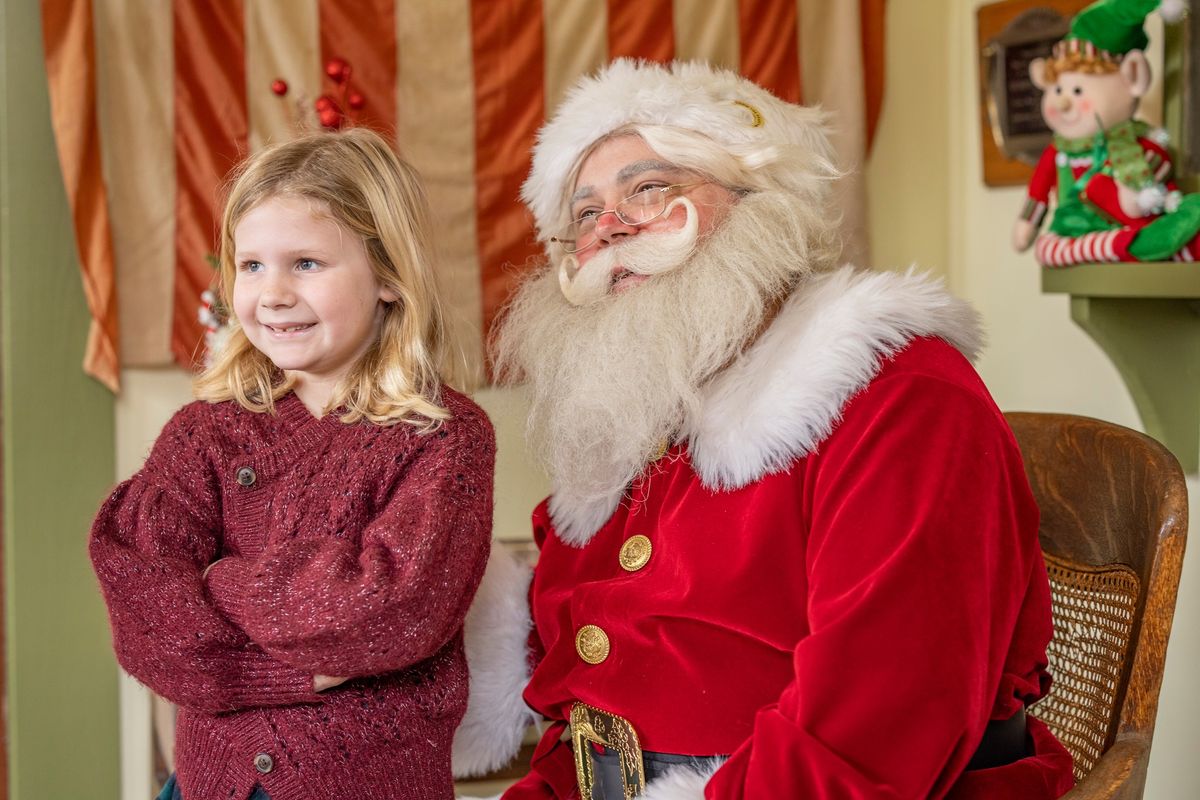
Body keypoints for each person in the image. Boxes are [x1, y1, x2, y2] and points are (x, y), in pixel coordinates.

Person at [463, 59, 1077, 799]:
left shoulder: (898, 392)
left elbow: (868, 738)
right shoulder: (644, 415)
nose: (610, 229)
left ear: (760, 202)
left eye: (649, 189)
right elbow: (586, 713)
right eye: (585, 215)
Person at [89, 128, 495, 800]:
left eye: (306, 263)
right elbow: (144, 615)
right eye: (251, 266)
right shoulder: (204, 434)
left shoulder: (442, 437)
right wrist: (280, 672)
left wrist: (220, 581)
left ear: (389, 276)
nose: (271, 293)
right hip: (208, 785)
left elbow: (389, 607)